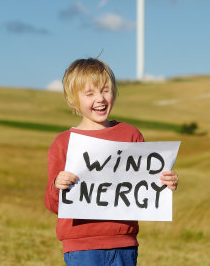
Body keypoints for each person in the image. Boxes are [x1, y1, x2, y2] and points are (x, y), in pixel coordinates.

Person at [44, 58, 179, 265]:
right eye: (89, 94)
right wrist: (57, 186)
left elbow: (144, 187)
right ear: (73, 99)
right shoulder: (63, 143)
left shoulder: (131, 134)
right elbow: (52, 204)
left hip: (124, 243)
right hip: (81, 247)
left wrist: (165, 182)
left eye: (105, 90)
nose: (100, 99)